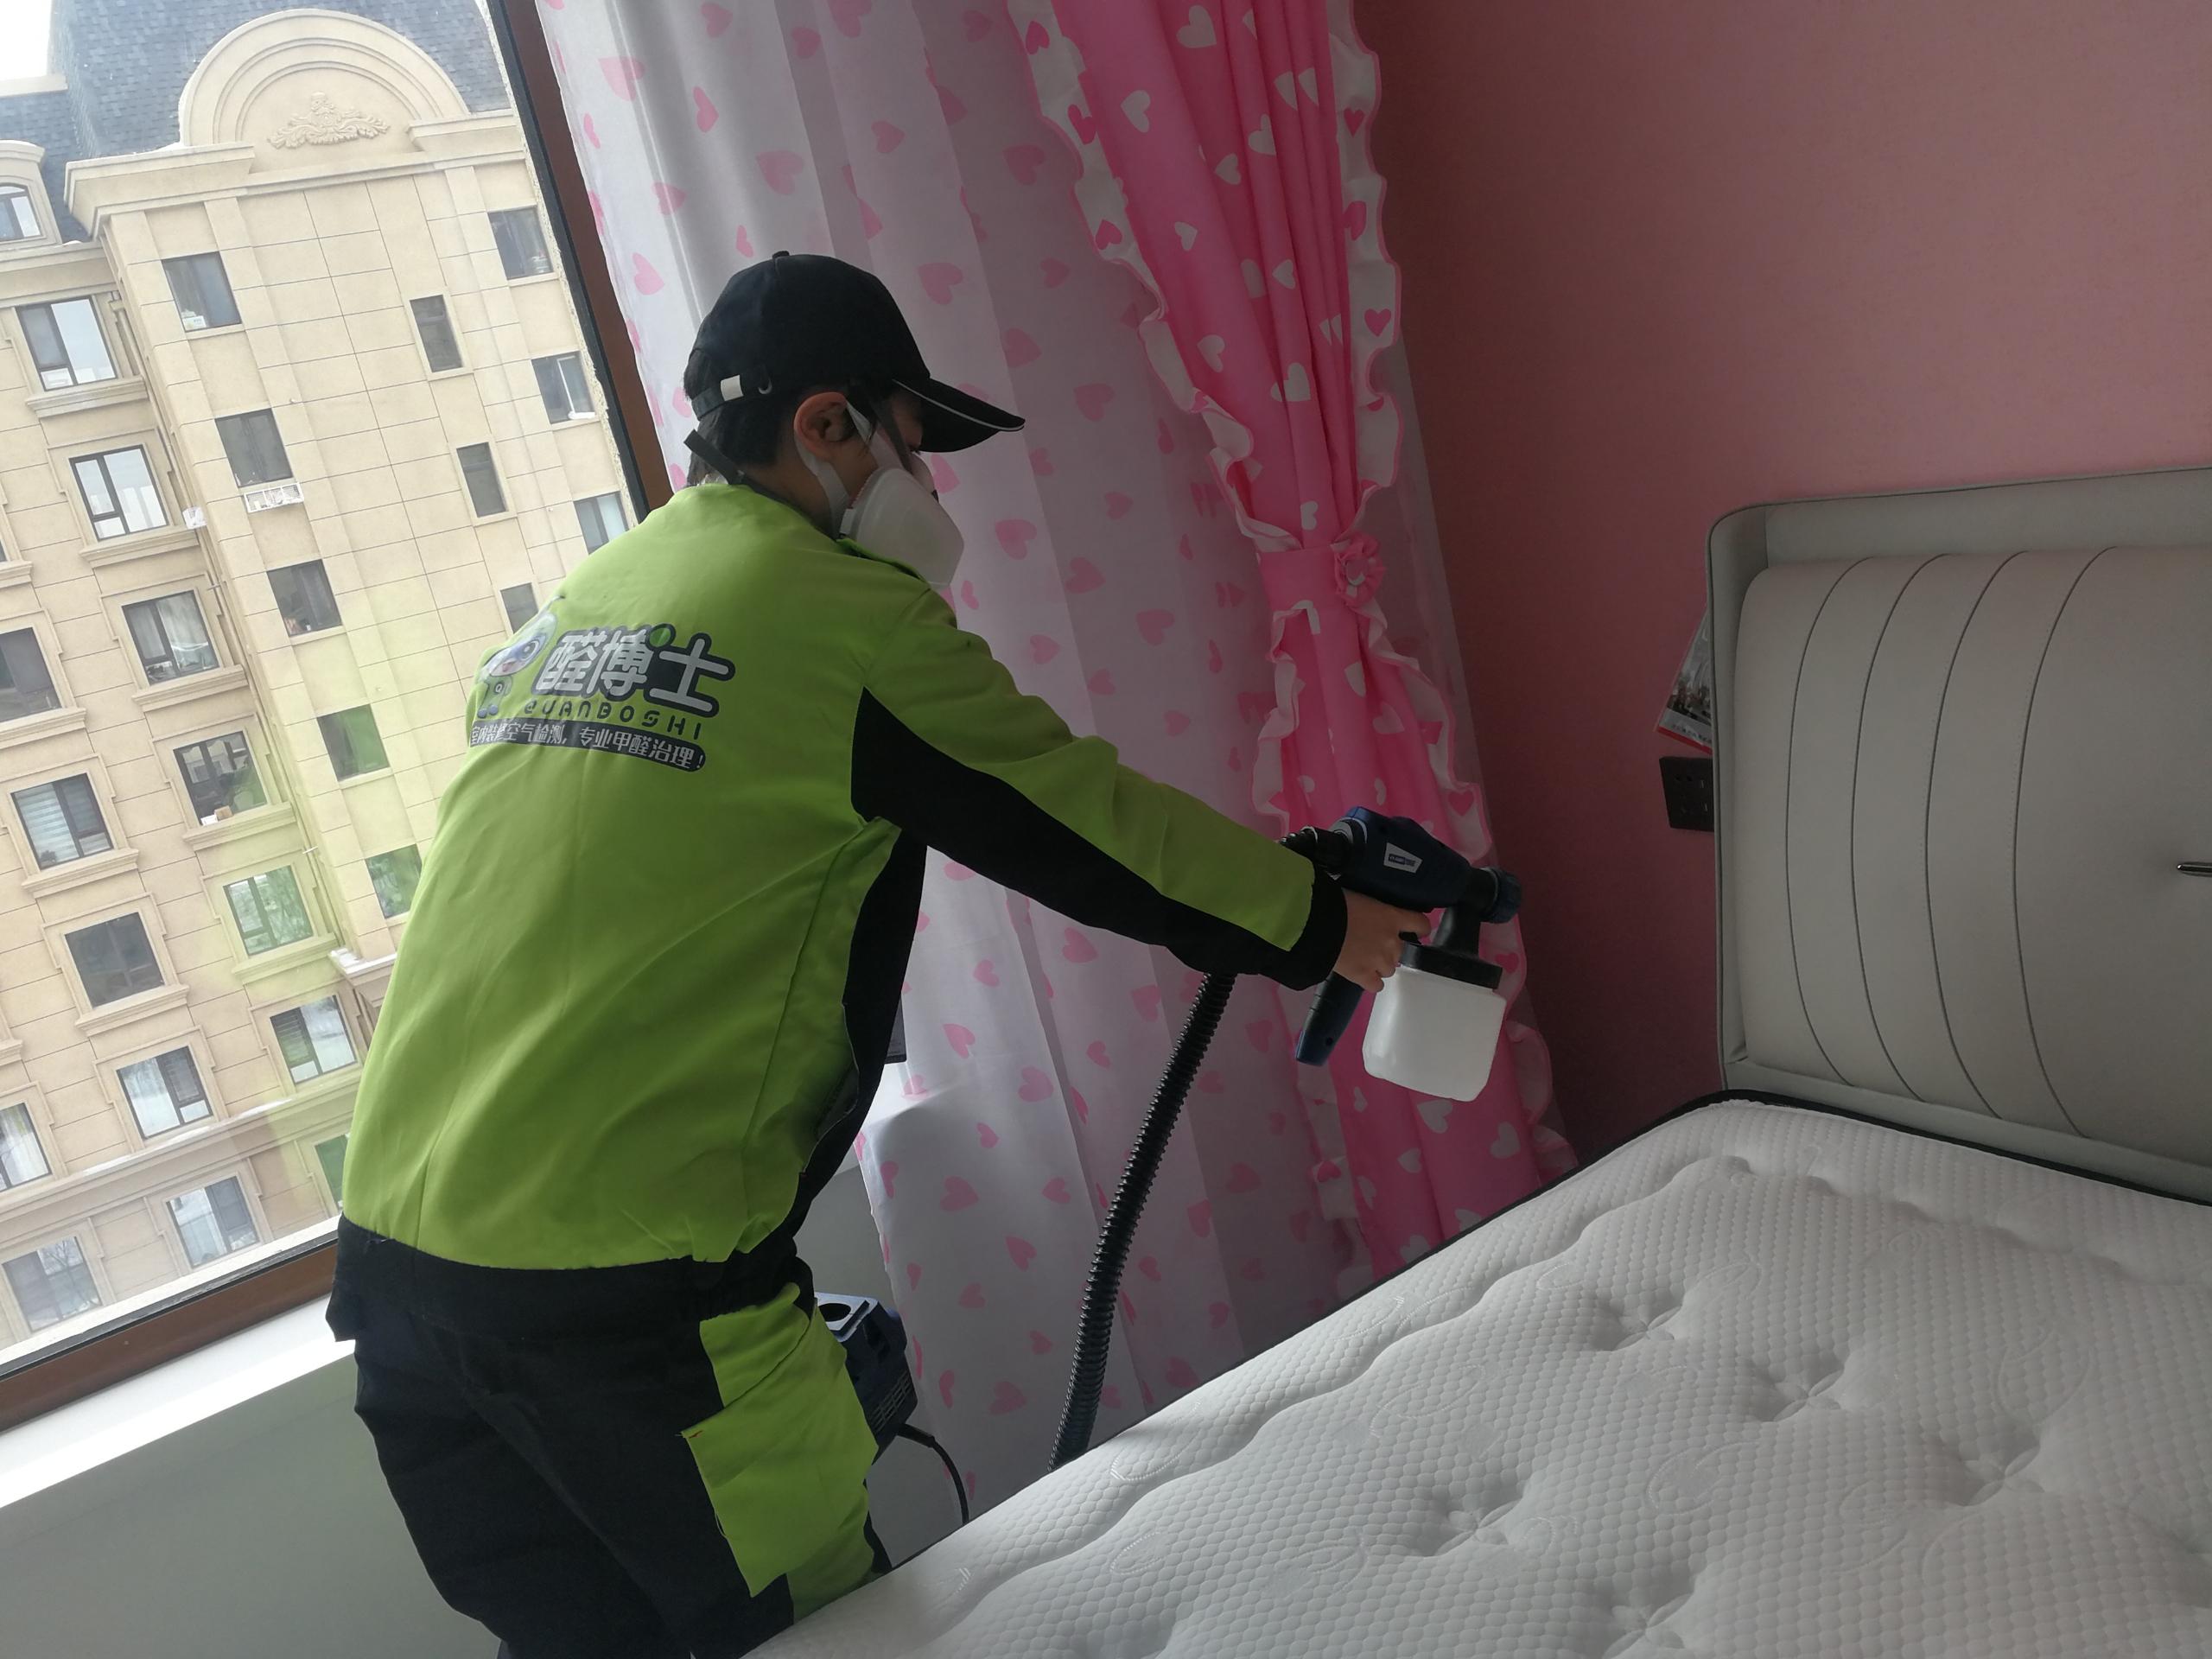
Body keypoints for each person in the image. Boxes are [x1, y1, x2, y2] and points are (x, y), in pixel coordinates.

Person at [329, 251, 1424, 1659]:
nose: (929, 483)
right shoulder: (838, 616)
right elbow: (1083, 822)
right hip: (630, 1313)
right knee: (819, 1636)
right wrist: (1324, 921)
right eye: (913, 441)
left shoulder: (594, 596)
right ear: (828, 425)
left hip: (403, 1283)